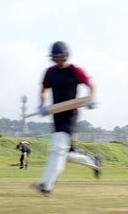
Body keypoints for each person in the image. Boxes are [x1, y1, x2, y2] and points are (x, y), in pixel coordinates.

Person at [34, 41, 100, 196]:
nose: (55, 60)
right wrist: (42, 104)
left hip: (70, 115)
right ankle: (93, 162)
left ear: (65, 55)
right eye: (53, 57)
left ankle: (46, 185)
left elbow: (91, 86)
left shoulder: (75, 71)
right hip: (56, 114)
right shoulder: (49, 72)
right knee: (66, 153)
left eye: (58, 57)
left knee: (57, 150)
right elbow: (43, 90)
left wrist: (92, 99)